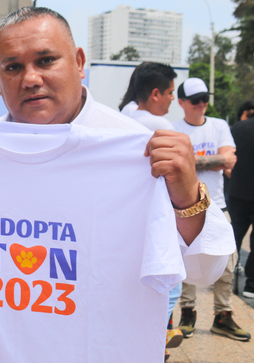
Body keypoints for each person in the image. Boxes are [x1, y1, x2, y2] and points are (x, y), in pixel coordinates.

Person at [0, 7, 235, 362]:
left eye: (46, 60)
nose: (30, 78)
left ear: (79, 62)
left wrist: (186, 195)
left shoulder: (139, 151)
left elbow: (204, 271)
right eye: (12, 67)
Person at [171, 78, 248, 342]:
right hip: (185, 207)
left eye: (205, 98)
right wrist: (212, 161)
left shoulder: (219, 125)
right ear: (181, 102)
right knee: (187, 262)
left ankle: (222, 315)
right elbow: (179, 165)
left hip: (217, 204)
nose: (202, 104)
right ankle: (188, 313)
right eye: (196, 100)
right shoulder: (173, 129)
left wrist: (191, 161)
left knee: (228, 263)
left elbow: (229, 160)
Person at [122, 61, 184, 356]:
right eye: (171, 92)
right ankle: (155, 343)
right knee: (169, 287)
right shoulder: (160, 127)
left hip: (125, 223)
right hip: (157, 218)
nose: (173, 99)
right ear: (156, 93)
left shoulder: (121, 116)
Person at [230, 99, 254, 298]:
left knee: (234, 235)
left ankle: (225, 275)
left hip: (237, 192)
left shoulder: (237, 128)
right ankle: (251, 284)